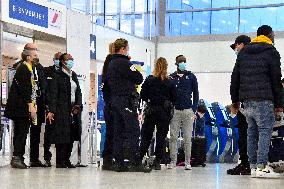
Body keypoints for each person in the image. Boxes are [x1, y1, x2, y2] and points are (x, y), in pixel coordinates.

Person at [230, 25, 282, 178]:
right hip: (264, 99)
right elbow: (276, 79)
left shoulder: (244, 52)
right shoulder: (271, 52)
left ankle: (253, 167)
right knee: (265, 132)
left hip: (246, 101)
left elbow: (235, 78)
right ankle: (262, 166)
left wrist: (235, 101)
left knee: (251, 132)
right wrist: (279, 103)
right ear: (269, 35)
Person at [106, 38, 150, 172]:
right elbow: (139, 78)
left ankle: (119, 163)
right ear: (123, 49)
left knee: (118, 132)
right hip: (126, 101)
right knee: (133, 131)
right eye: (127, 48)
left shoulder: (111, 63)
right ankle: (134, 162)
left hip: (114, 102)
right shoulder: (125, 63)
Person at [5, 44, 40, 169]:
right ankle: (17, 157)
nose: (37, 57)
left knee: (23, 132)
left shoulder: (31, 68)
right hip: (20, 107)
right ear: (28, 56)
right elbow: (25, 89)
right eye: (35, 55)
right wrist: (31, 106)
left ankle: (19, 157)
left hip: (25, 106)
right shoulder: (23, 68)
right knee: (21, 132)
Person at [139, 57, 176, 170]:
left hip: (151, 110)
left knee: (146, 136)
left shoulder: (149, 79)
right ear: (166, 67)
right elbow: (175, 98)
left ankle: (139, 158)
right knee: (161, 137)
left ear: (156, 66)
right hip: (164, 112)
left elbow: (143, 95)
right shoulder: (170, 81)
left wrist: (151, 99)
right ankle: (157, 161)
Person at [47, 53, 82, 168]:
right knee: (61, 135)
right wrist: (51, 110)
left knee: (71, 135)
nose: (71, 61)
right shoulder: (57, 75)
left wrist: (78, 105)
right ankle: (60, 161)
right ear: (63, 61)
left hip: (73, 110)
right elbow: (53, 94)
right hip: (61, 109)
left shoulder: (74, 75)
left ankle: (67, 160)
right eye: (69, 59)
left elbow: (78, 92)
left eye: (72, 59)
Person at [167, 55, 199, 170]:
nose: (183, 63)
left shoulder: (191, 77)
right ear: (176, 63)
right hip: (175, 111)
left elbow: (196, 93)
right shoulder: (171, 77)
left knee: (187, 137)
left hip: (188, 111)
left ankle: (187, 162)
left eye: (184, 61)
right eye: (180, 62)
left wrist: (193, 110)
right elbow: (168, 95)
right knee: (173, 137)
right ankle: (173, 161)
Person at [227, 35, 251, 175]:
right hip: (259, 101)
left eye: (236, 46)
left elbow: (235, 81)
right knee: (254, 134)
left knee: (243, 134)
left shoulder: (241, 59)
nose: (235, 49)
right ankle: (254, 164)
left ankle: (245, 164)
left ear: (241, 44)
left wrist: (235, 101)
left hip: (244, 104)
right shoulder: (260, 56)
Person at [43, 52, 62, 167]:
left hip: (62, 108)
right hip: (50, 107)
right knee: (49, 133)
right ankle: (47, 157)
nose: (58, 61)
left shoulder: (65, 73)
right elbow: (45, 90)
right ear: (53, 59)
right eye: (56, 59)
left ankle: (61, 158)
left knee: (61, 133)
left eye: (60, 59)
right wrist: (49, 107)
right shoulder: (47, 71)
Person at [101, 43, 115, 170]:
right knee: (112, 132)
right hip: (112, 103)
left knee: (111, 132)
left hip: (109, 102)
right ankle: (108, 159)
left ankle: (108, 158)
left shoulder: (108, 62)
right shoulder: (111, 61)